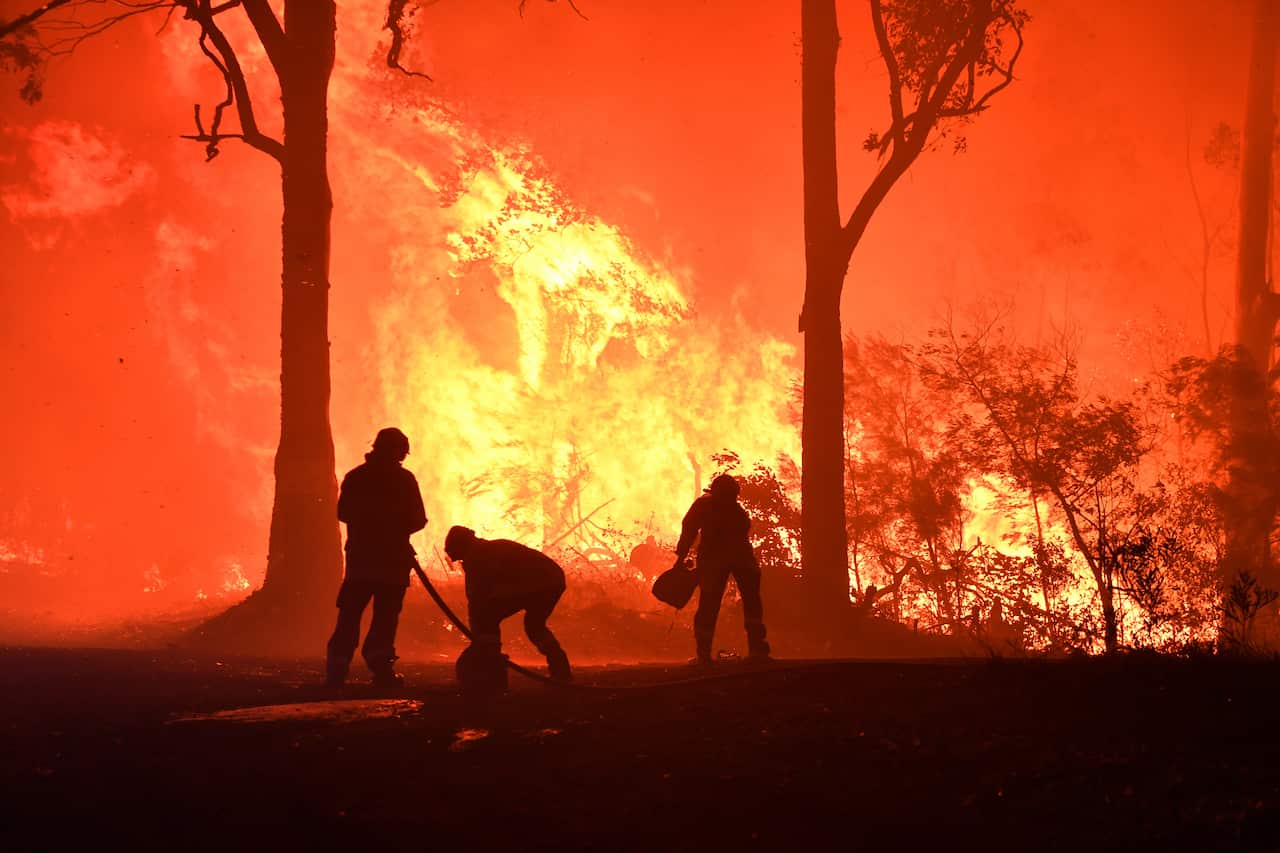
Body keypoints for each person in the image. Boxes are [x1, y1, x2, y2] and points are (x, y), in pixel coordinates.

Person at [325, 427, 427, 688]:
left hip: (361, 560)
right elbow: (418, 519)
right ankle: (380, 670)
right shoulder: (404, 480)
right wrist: (393, 527)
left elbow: (343, 513)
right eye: (401, 452)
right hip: (392, 563)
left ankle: (337, 669)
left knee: (349, 615)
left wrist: (370, 524)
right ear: (396, 451)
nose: (403, 457)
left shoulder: (356, 477)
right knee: (385, 618)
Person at [443, 525, 572, 684]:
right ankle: (561, 670)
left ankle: (492, 665)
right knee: (534, 626)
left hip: (539, 583)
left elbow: (477, 599)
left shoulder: (477, 557)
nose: (458, 560)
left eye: (456, 555)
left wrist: (480, 639)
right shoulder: (489, 549)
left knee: (488, 618)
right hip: (553, 580)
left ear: (461, 546)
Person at [673, 474, 770, 665]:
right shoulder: (736, 510)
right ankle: (757, 651)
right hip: (740, 560)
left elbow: (689, 529)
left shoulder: (705, 506)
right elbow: (690, 529)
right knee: (750, 604)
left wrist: (681, 557)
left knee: (709, 605)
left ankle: (704, 655)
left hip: (715, 561)